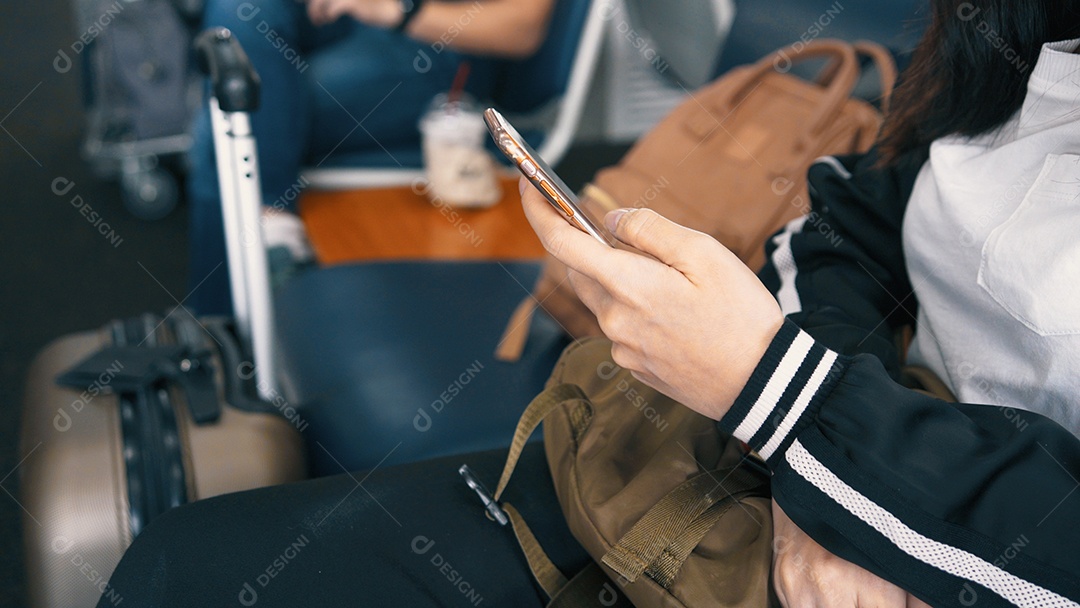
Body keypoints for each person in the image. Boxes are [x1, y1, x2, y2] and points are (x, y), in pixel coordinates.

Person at [101, 1, 1080, 606]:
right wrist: (813, 467)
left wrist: (773, 389)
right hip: (796, 466)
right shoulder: (1031, 51)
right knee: (183, 566)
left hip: (909, 525)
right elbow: (841, 233)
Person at [187, 0, 556, 315]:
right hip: (351, 20)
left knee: (229, 120)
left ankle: (223, 337)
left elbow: (522, 28)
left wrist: (397, 9)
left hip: (437, 43)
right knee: (240, 10)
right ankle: (269, 242)